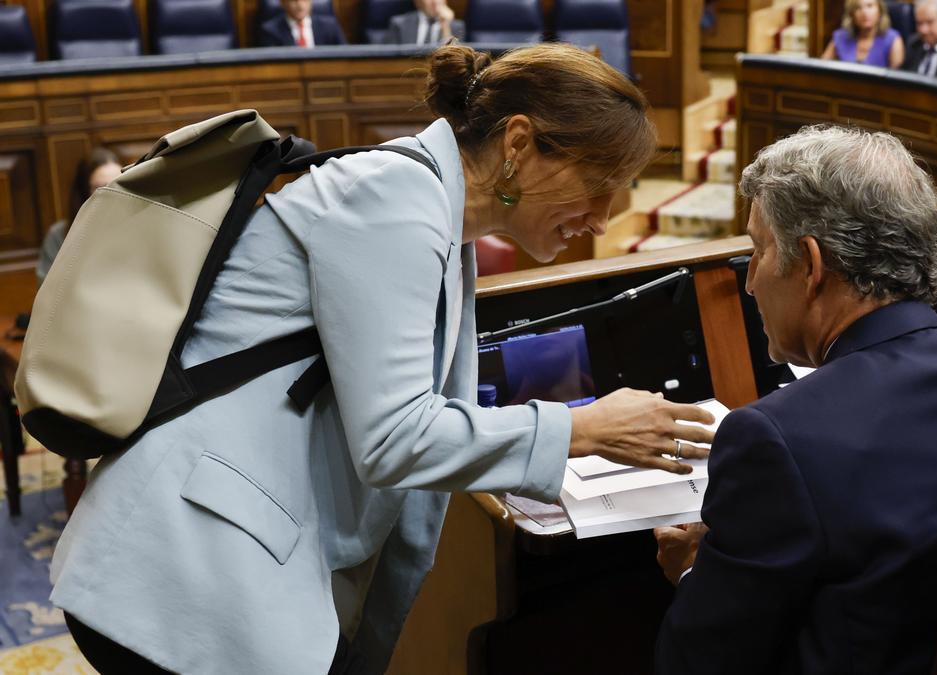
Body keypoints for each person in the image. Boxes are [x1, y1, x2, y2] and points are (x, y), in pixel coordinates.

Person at [49, 43, 716, 675]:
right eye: (599, 185)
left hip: (231, 558)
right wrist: (582, 429)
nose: (602, 219)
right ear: (518, 145)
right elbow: (396, 436)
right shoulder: (393, 199)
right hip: (182, 562)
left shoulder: (433, 212)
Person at [653, 125, 937, 675]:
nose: (749, 284)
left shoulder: (775, 438)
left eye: (758, 251)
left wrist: (696, 571)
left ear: (811, 266)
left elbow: (697, 663)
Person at [37, 148, 121, 285]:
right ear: (84, 191)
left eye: (118, 184)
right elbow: (48, 290)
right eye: (101, 187)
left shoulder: (140, 225)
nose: (113, 193)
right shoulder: (58, 235)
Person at [821, 0, 904, 69]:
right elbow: (821, 70)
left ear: (880, 11)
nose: (864, 13)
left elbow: (898, 81)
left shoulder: (893, 39)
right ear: (851, 14)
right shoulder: (840, 37)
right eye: (858, 8)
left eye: (870, 6)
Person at [259, 0, 346, 47]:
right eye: (294, 0)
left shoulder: (330, 26)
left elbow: (345, 55)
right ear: (283, 2)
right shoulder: (270, 31)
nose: (300, 5)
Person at [387, 0, 464, 45]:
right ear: (417, 2)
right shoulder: (399, 24)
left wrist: (445, 26)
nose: (434, 2)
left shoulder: (456, 26)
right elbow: (391, 59)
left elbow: (455, 61)